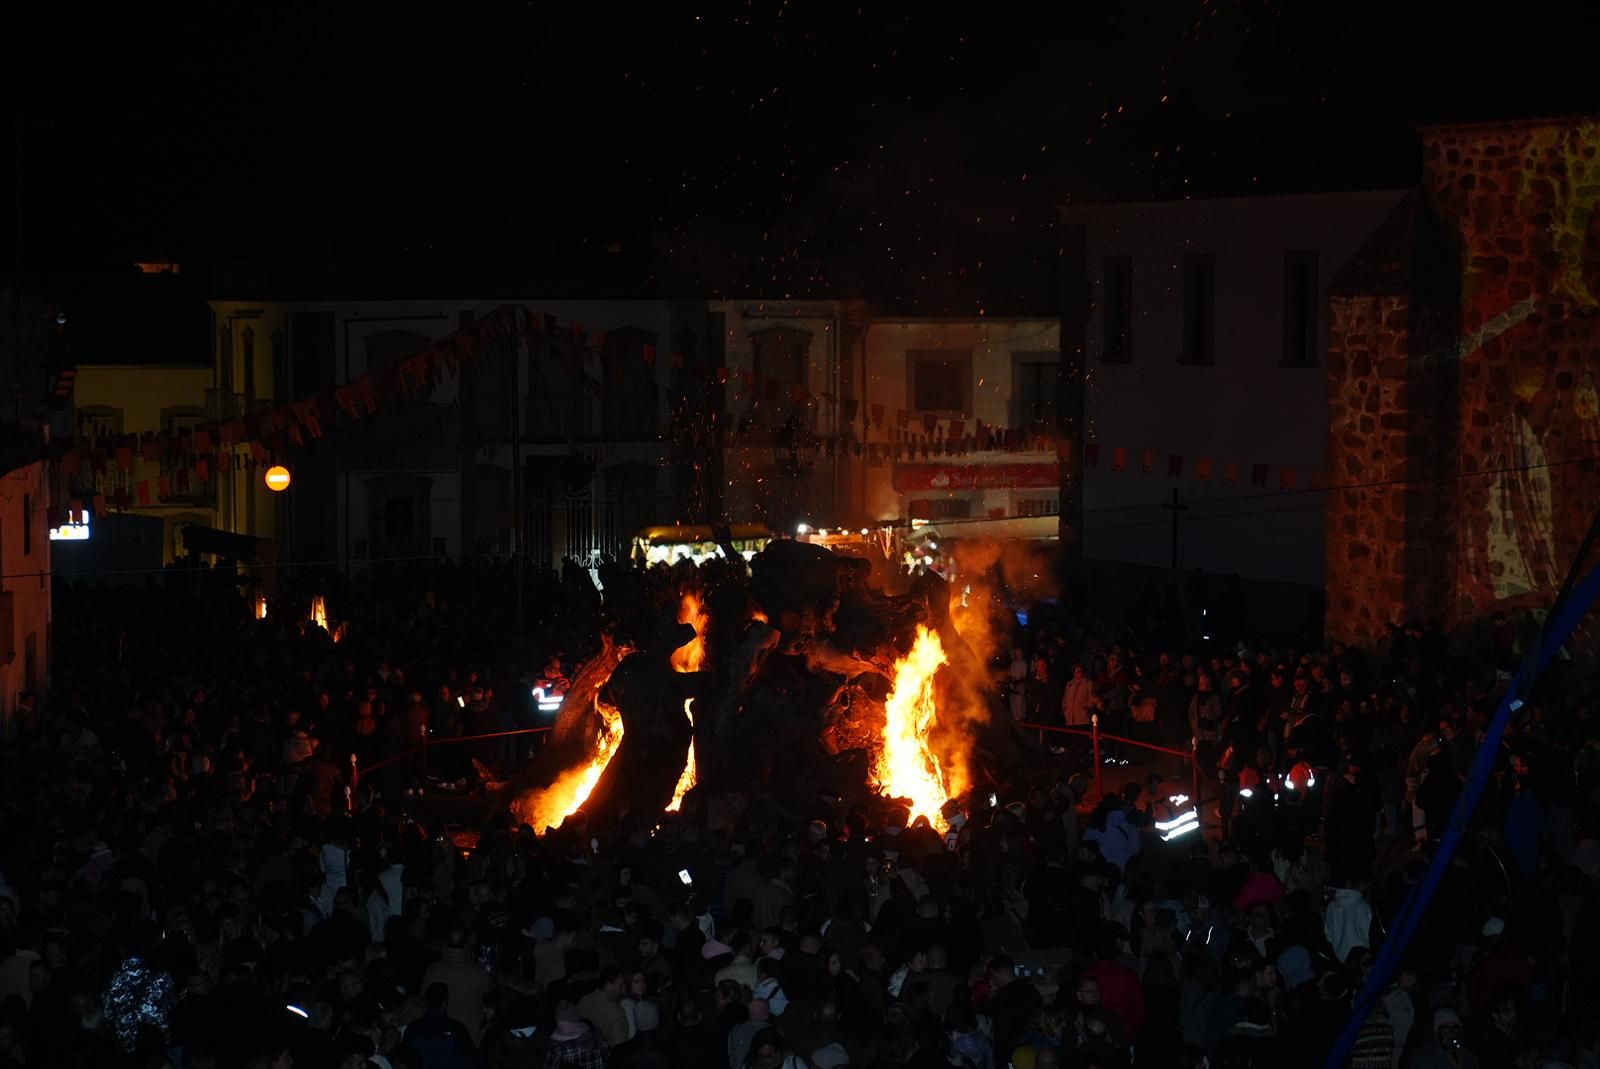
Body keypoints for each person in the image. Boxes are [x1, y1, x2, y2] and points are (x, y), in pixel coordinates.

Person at [577, 966, 631, 1050]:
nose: (623, 989)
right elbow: (621, 1048)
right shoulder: (615, 1011)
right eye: (621, 985)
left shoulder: (583, 1001)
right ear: (609, 984)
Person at [1406, 1008, 1479, 1069]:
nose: (1450, 1032)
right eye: (1445, 1028)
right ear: (1437, 1032)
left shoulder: (1468, 1056)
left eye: (1455, 1027)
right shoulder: (1423, 1056)